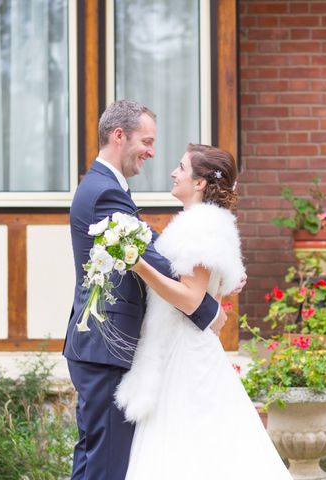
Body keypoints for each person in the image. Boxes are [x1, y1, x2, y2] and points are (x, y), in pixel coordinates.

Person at [63, 100, 232, 480]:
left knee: (95, 458)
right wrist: (207, 307)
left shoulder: (105, 187)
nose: (153, 153)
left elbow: (151, 252)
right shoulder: (105, 192)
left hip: (102, 347)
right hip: (106, 348)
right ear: (119, 136)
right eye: (147, 141)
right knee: (104, 465)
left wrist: (216, 272)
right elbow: (151, 259)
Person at [115, 143, 293, 479]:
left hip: (185, 353)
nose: (173, 172)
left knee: (190, 445)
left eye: (181, 168)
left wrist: (137, 265)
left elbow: (191, 299)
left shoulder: (200, 227)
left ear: (199, 183)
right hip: (178, 345)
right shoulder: (199, 223)